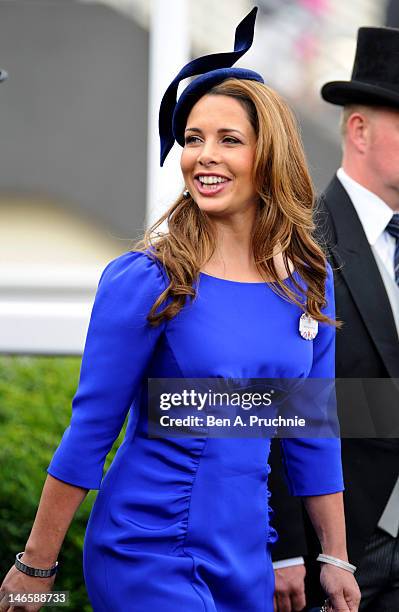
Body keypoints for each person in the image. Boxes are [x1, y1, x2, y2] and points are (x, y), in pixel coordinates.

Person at [0, 8, 360, 612]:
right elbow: (93, 429)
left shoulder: (309, 284)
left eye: (228, 139)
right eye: (193, 138)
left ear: (268, 154)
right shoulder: (149, 280)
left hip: (246, 553)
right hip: (148, 548)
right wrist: (36, 565)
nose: (203, 156)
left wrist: (334, 557)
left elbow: (312, 435)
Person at [270, 25, 399, 612]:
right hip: (338, 553)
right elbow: (270, 405)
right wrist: (286, 551)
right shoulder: (297, 245)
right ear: (359, 129)